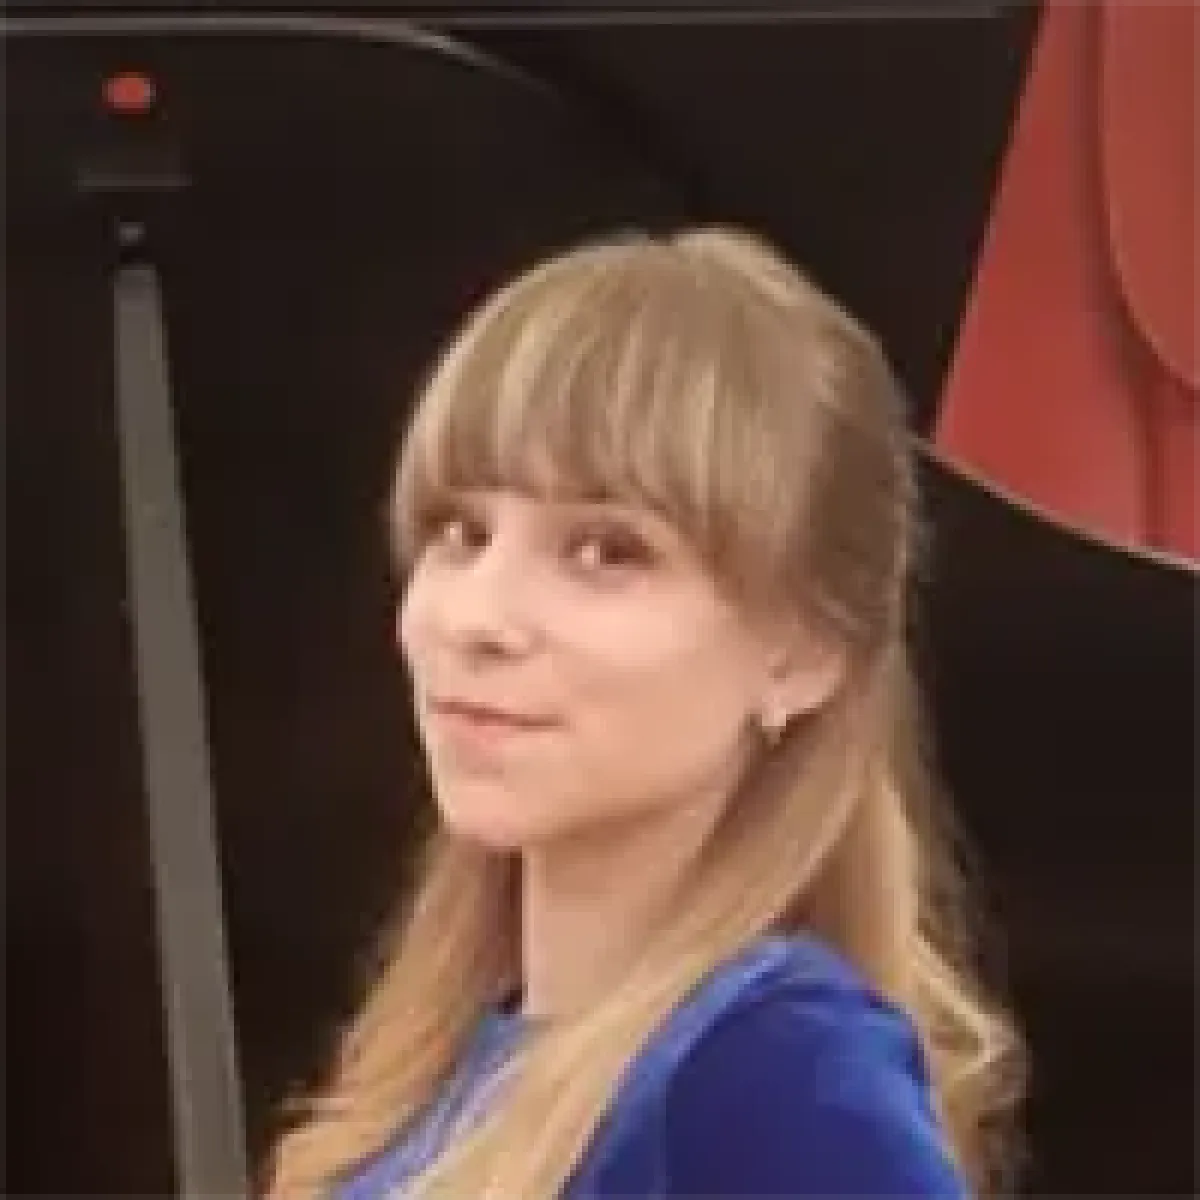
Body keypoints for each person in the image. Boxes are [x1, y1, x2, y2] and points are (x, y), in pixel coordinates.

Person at [263, 227, 1024, 1198]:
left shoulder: (775, 1072)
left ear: (804, 652)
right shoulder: (446, 1071)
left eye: (606, 552)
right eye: (462, 531)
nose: (477, 618)